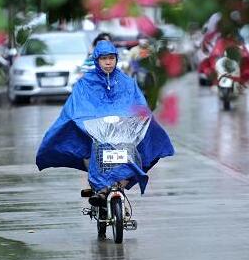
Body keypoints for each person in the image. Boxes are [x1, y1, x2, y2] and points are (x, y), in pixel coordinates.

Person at [36, 40, 175, 206]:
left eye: (111, 58)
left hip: (123, 133)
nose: (108, 62)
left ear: (116, 59)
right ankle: (99, 188)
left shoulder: (127, 83)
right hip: (95, 134)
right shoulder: (84, 83)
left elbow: (139, 107)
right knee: (89, 150)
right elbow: (75, 109)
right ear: (96, 60)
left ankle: (120, 185)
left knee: (139, 149)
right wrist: (84, 123)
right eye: (103, 59)